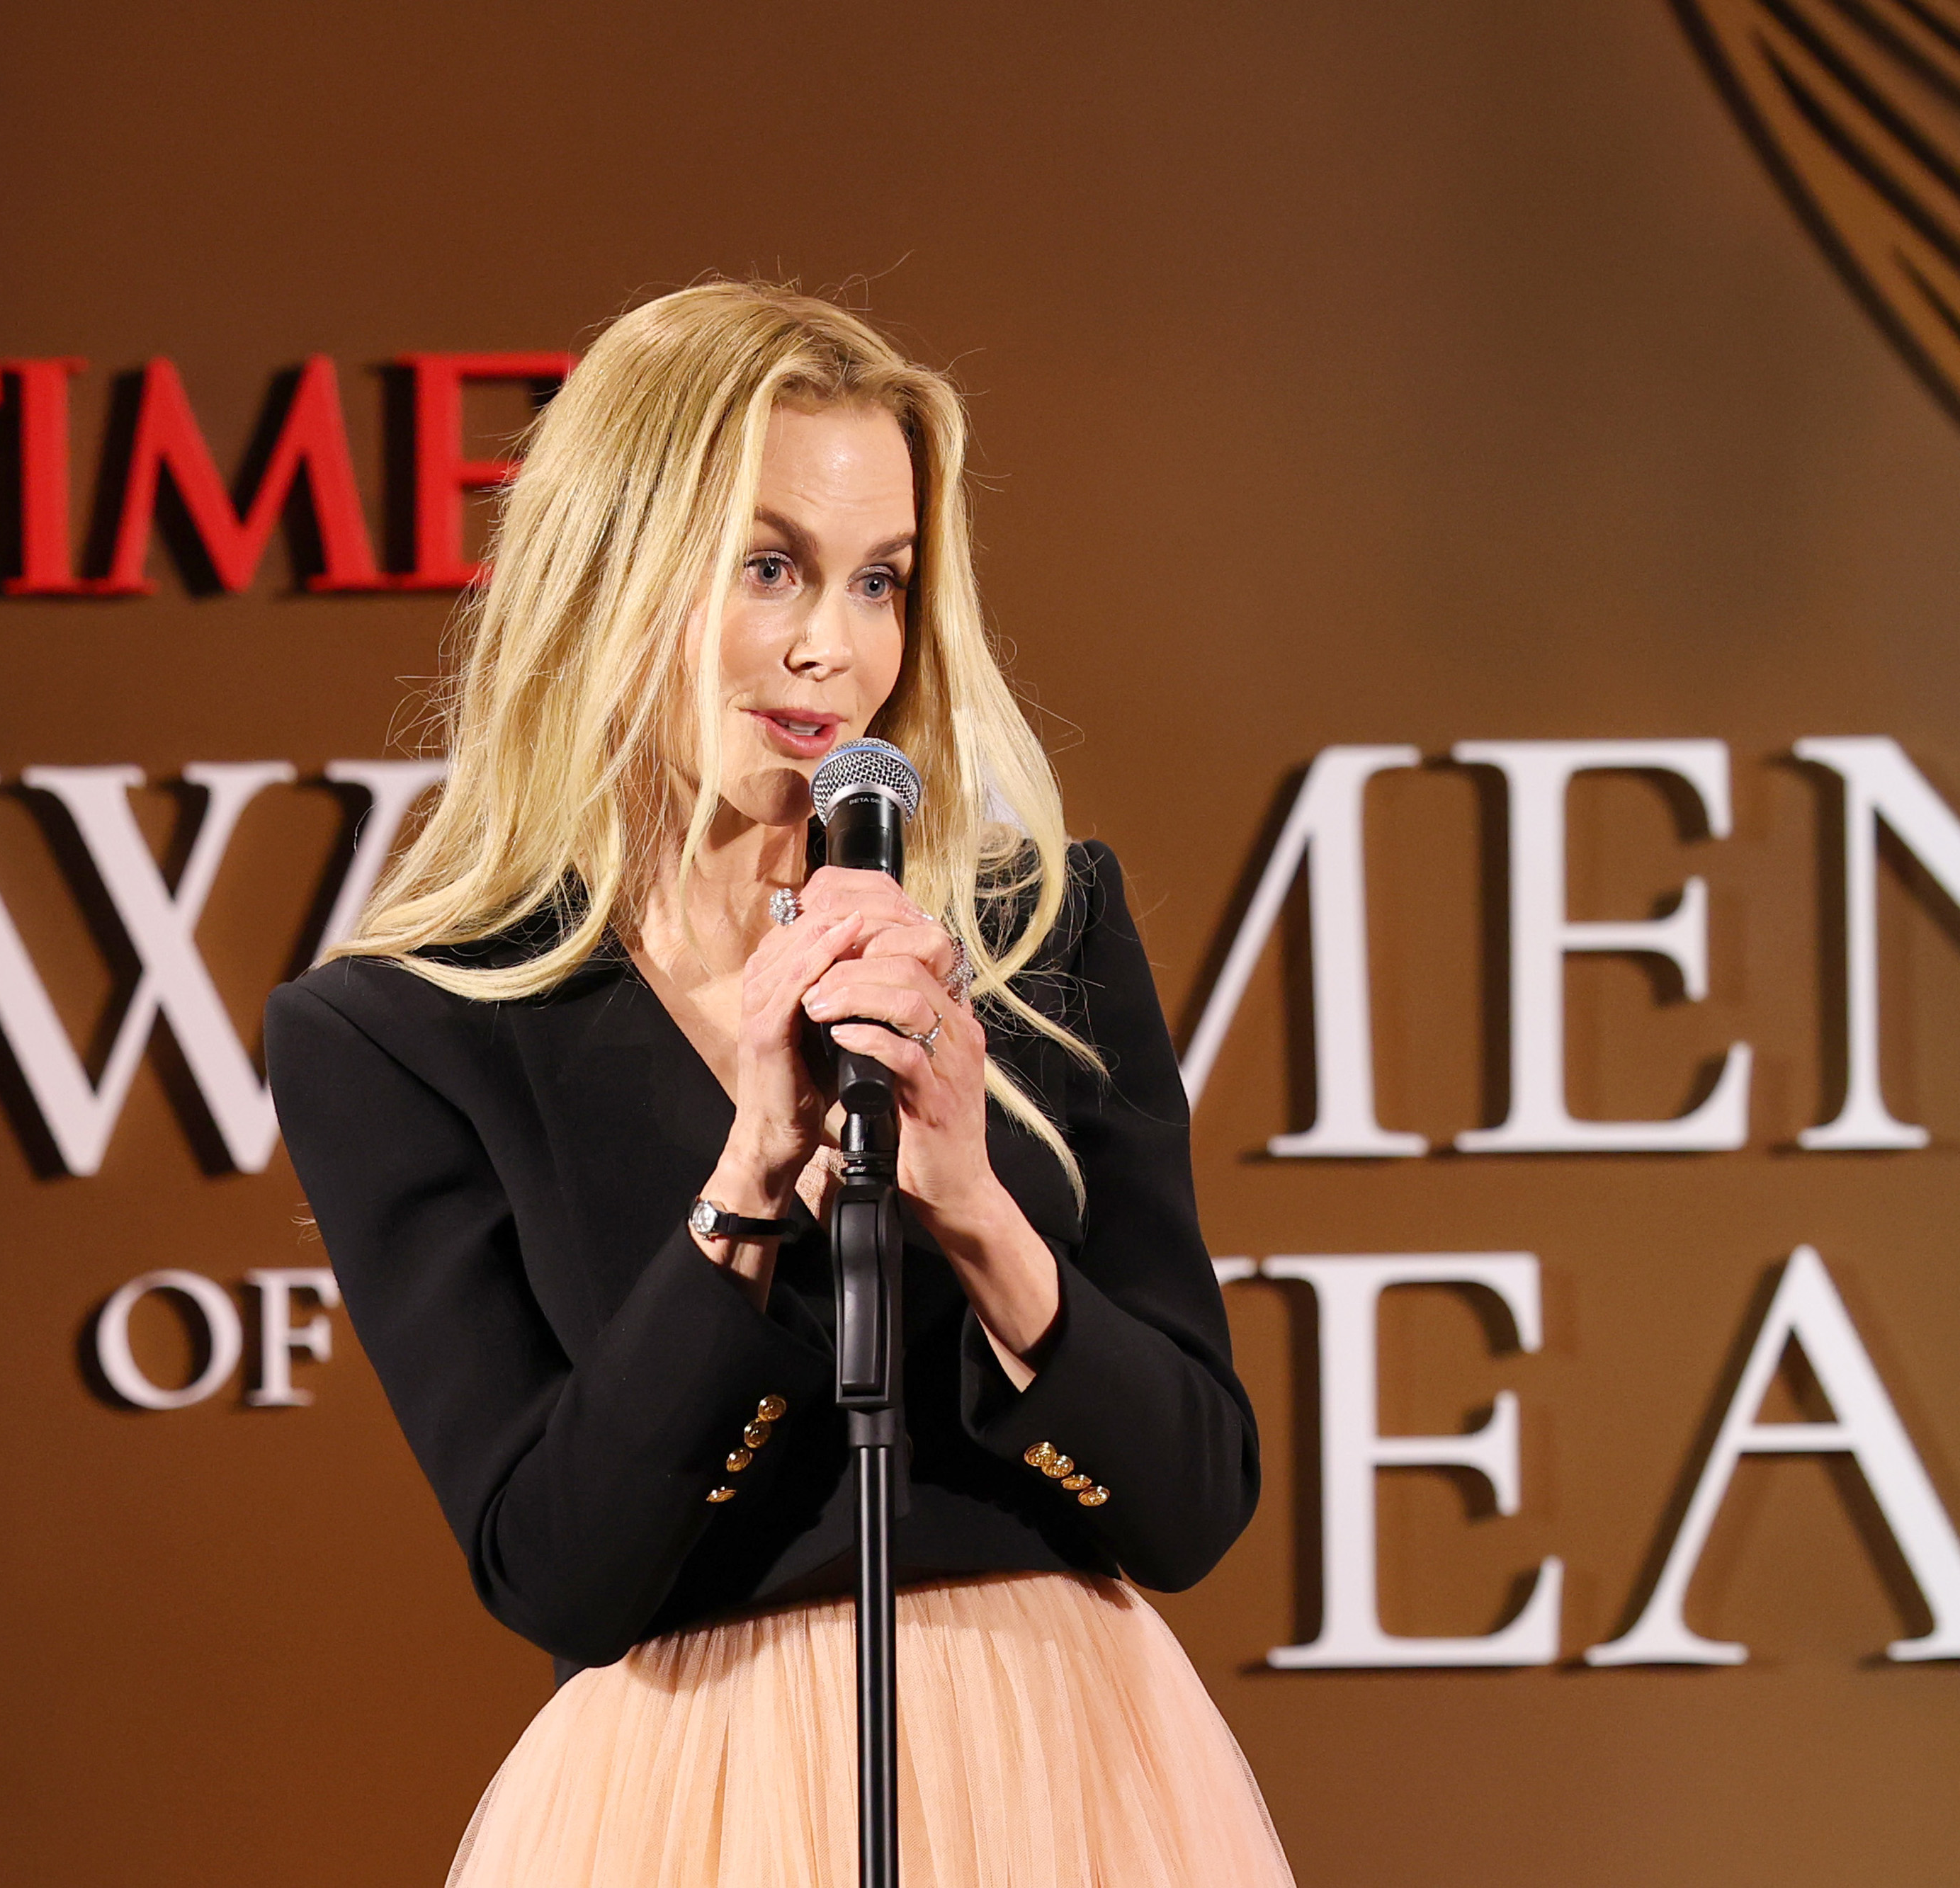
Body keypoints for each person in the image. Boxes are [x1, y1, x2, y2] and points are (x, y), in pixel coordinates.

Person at [264, 282, 1293, 1887]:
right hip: (693, 1805)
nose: (836, 644)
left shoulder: (1033, 935)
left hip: (1074, 1784)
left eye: (879, 580)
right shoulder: (402, 1029)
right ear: (612, 567)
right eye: (770, 567)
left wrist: (970, 1202)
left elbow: (1191, 1503)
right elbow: (558, 1568)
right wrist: (747, 1181)